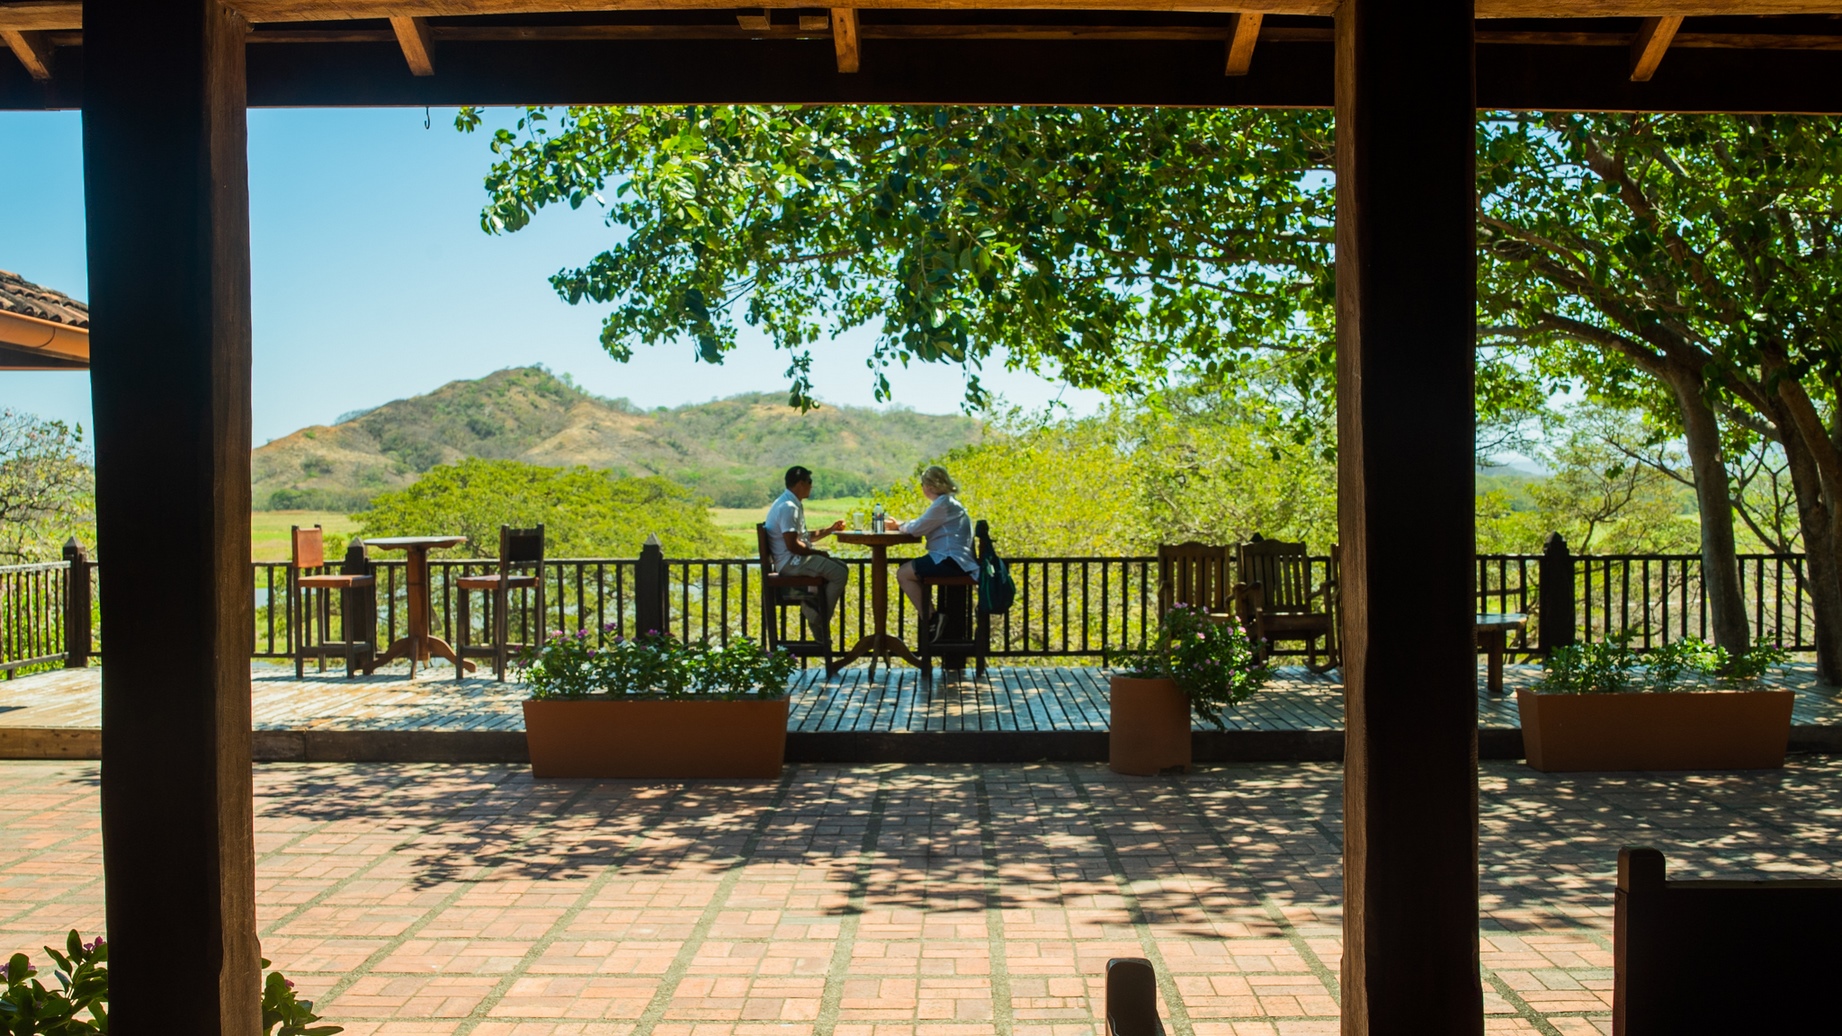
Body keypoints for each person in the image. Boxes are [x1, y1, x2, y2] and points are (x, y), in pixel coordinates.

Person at [885, 465, 976, 637]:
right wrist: (903, 525)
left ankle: (932, 618)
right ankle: (932, 619)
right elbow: (923, 523)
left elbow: (917, 528)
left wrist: (899, 526)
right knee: (908, 570)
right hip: (959, 560)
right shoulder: (949, 503)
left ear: (929, 486)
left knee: (904, 573)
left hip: (949, 559)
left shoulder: (943, 505)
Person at [765, 465, 849, 644]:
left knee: (840, 566)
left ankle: (814, 611)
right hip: (791, 562)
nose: (811, 486)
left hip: (792, 560)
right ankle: (817, 617)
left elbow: (802, 537)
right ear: (800, 483)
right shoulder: (788, 507)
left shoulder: (789, 502)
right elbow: (793, 545)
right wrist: (817, 553)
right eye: (809, 482)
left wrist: (830, 529)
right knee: (840, 573)